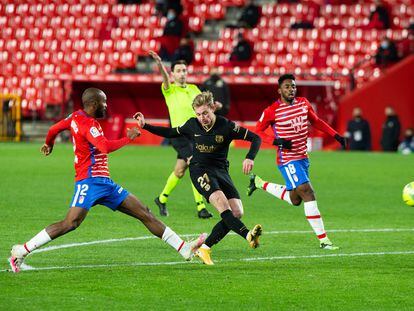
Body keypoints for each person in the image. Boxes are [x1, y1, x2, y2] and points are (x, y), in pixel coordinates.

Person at [8, 88, 206, 273]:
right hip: (89, 182)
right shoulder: (88, 124)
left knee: (144, 212)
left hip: (105, 183)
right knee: (70, 223)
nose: (106, 106)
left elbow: (53, 129)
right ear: (93, 103)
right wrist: (129, 138)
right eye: (104, 102)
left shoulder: (75, 117)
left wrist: (48, 144)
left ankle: (184, 249)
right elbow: (104, 147)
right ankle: (21, 251)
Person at [134, 91, 263, 265]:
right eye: (198, 114)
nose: (202, 118)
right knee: (222, 206)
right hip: (199, 170)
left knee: (237, 212)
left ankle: (204, 248)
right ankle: (248, 235)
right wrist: (145, 125)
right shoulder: (192, 125)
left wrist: (250, 157)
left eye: (205, 113)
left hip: (221, 171)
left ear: (212, 108)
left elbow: (256, 138)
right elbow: (171, 132)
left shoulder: (226, 126)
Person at [247, 74, 346, 250]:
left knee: (296, 199)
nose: (291, 89)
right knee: (308, 192)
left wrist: (336, 135)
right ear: (279, 90)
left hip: (303, 157)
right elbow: (258, 131)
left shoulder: (303, 103)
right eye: (287, 87)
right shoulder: (272, 110)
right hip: (287, 159)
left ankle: (259, 183)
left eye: (293, 86)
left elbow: (316, 121)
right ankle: (324, 240)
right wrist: (276, 141)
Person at [149, 51, 213, 219]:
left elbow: (204, 106)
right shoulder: (169, 90)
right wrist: (159, 63)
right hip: (178, 135)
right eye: (178, 71)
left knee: (179, 171)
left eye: (184, 70)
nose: (182, 73)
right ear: (172, 74)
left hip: (195, 135)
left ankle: (161, 199)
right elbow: (164, 77)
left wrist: (215, 106)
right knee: (196, 164)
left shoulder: (194, 89)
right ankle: (201, 207)